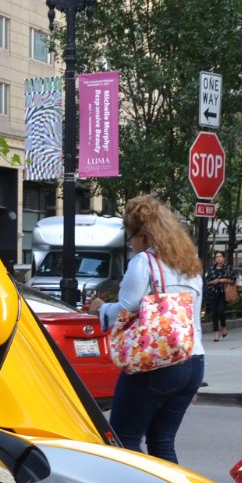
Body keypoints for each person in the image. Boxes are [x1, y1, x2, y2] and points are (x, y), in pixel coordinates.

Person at [82, 194, 205, 463]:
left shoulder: (144, 263)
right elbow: (194, 319)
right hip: (192, 361)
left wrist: (100, 307)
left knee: (124, 441)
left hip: (156, 363)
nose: (131, 243)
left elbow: (125, 311)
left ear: (142, 234)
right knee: (162, 442)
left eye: (131, 236)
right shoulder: (190, 266)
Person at [204, 251, 236, 342]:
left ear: (223, 258)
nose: (218, 258)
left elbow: (233, 280)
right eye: (216, 257)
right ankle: (216, 333)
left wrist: (223, 280)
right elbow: (206, 281)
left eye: (220, 256)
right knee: (214, 313)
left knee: (221, 311)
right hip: (213, 293)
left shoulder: (228, 268)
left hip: (224, 293)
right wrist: (213, 282)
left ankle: (223, 326)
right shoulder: (211, 269)